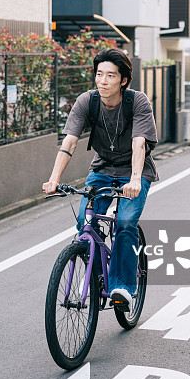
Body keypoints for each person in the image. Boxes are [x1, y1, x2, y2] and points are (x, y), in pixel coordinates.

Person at [42, 48, 158, 313]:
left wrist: (136, 180)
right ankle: (95, 275)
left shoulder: (137, 102)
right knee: (86, 224)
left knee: (126, 223)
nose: (102, 80)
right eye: (99, 74)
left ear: (123, 80)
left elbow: (139, 143)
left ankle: (123, 287)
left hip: (134, 172)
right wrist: (53, 179)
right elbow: (69, 141)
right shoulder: (87, 101)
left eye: (110, 76)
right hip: (102, 168)